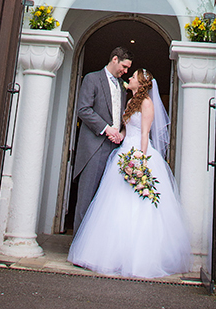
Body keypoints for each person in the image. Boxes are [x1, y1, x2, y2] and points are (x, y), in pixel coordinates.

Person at [68, 68, 191, 279]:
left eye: (133, 76)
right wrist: (119, 136)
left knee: (138, 205)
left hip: (138, 153)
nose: (129, 78)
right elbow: (128, 129)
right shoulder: (131, 102)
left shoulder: (147, 104)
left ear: (141, 83)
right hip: (124, 151)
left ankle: (138, 257)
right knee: (114, 204)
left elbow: (144, 133)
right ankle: (110, 253)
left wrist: (140, 160)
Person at [72, 46, 132, 232]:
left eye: (128, 69)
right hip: (94, 147)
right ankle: (78, 247)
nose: (126, 71)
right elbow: (83, 110)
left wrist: (121, 132)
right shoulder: (92, 79)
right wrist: (107, 129)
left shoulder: (122, 87)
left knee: (104, 201)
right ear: (114, 59)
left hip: (115, 149)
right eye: (124, 66)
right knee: (86, 198)